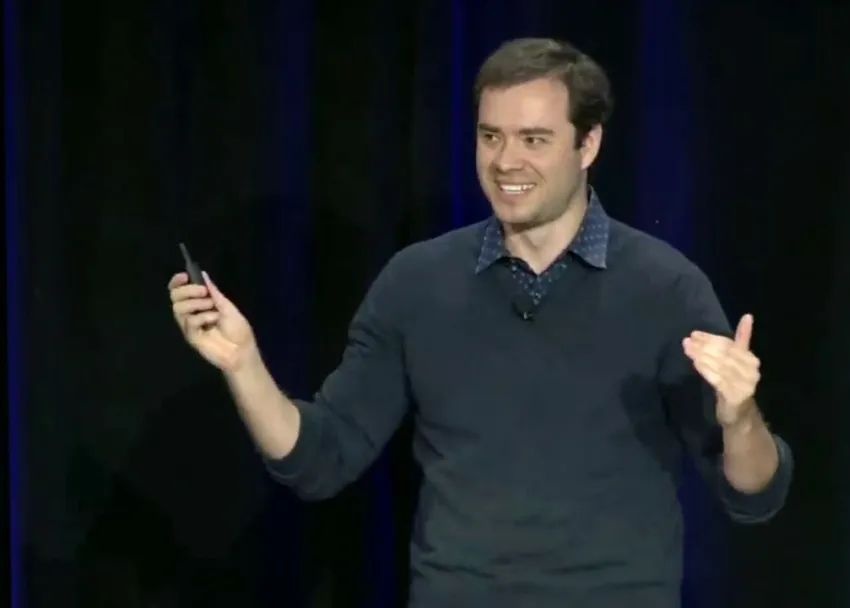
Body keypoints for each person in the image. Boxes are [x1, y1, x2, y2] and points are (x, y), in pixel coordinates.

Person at [167, 37, 793, 608]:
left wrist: (740, 419)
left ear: (589, 144)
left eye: (534, 140)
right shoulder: (417, 284)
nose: (505, 161)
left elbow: (754, 493)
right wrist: (244, 365)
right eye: (490, 136)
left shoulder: (665, 288)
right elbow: (320, 459)